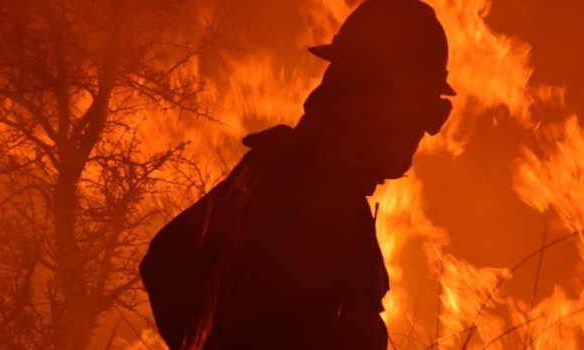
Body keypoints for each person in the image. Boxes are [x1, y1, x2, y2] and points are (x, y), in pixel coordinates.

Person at [139, 0, 455, 348]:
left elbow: (166, 262)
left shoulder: (266, 165)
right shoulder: (321, 199)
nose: (423, 132)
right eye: (422, 110)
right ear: (381, 101)